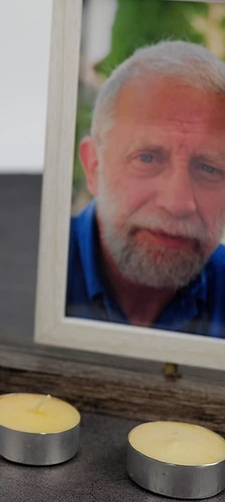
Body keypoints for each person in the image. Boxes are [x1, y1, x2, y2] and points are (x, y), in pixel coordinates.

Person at [67, 40, 225, 337]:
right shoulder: (35, 268)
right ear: (93, 167)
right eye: (147, 158)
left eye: (208, 168)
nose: (177, 202)